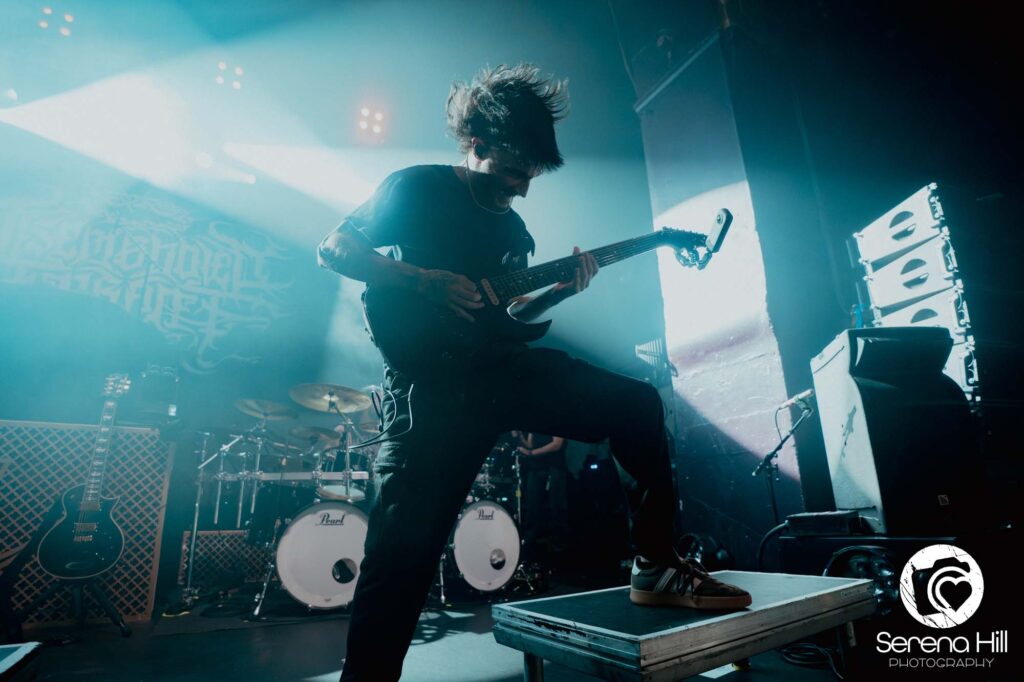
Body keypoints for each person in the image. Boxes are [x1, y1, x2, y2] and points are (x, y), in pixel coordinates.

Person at [317, 63, 750, 682]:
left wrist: (560, 291)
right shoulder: (416, 187)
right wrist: (423, 281)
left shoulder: (515, 231)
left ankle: (655, 564)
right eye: (513, 171)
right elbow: (334, 247)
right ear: (477, 143)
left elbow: (512, 315)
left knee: (636, 405)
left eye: (532, 176)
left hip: (502, 372)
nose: (521, 189)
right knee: (399, 559)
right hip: (429, 392)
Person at [514, 431, 570, 560]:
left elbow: (557, 444)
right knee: (533, 508)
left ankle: (559, 546)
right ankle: (529, 546)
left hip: (553, 467)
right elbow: (530, 445)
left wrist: (531, 453)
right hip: (536, 468)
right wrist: (520, 435)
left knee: (556, 507)